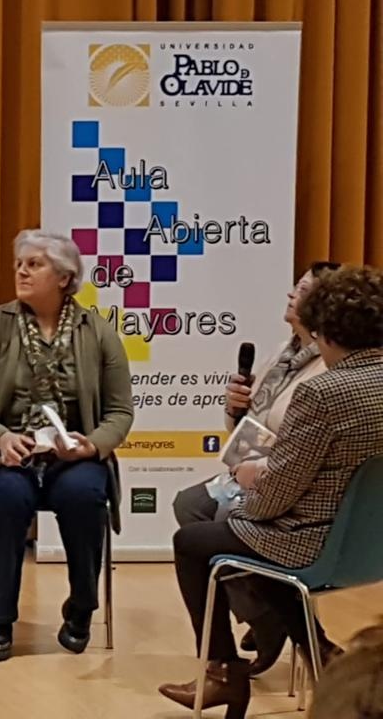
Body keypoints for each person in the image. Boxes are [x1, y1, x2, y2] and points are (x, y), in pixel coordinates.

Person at [158, 265, 383, 717]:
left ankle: (223, 671)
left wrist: (246, 491)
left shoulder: (322, 392)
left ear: (324, 332)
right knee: (257, 546)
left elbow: (275, 496)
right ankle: (319, 651)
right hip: (370, 546)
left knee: (195, 540)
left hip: (317, 543)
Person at [0, 230, 134, 661]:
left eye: (34, 264)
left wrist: (91, 446)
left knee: (84, 494)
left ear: (64, 277)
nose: (21, 271)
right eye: (20, 263)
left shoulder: (98, 332)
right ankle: (0, 619)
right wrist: (1, 437)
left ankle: (82, 608)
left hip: (71, 456)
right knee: (9, 497)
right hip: (4, 454)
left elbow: (120, 412)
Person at [172, 261, 339, 675]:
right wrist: (235, 409)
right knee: (189, 504)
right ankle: (266, 615)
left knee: (223, 522)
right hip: (254, 468)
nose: (290, 295)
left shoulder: (328, 370)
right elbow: (249, 429)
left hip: (286, 481)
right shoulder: (283, 355)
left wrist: (259, 473)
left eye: (302, 291)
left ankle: (254, 637)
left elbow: (300, 445)